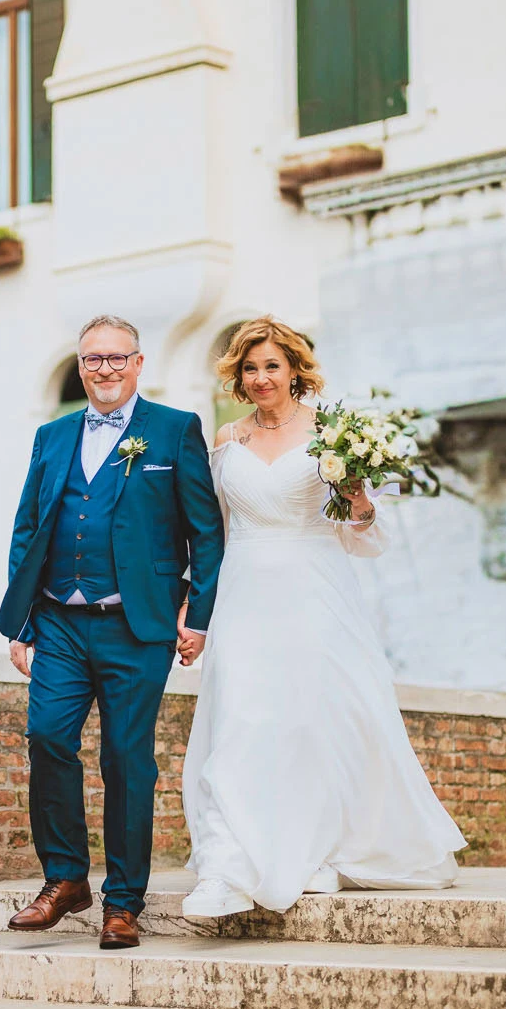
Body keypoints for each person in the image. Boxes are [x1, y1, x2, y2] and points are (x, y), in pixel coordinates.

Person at [180, 316, 463, 918]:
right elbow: (214, 531)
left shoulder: (331, 433)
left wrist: (361, 504)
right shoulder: (228, 441)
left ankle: (319, 852)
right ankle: (230, 860)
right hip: (244, 589)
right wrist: (194, 602)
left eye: (272, 366)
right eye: (250, 368)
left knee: (314, 718)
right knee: (241, 715)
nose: (261, 378)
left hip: (314, 584)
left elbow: (359, 529)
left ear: (294, 371)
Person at [0, 314, 225, 949]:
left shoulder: (174, 431)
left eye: (116, 358)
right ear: (81, 366)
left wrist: (198, 615)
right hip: (59, 621)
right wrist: (19, 620)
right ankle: (65, 878)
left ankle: (122, 902)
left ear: (138, 363)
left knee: (127, 761)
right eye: (93, 359)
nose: (104, 368)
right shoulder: (52, 436)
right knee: (46, 738)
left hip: (138, 624)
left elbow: (205, 534)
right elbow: (27, 530)